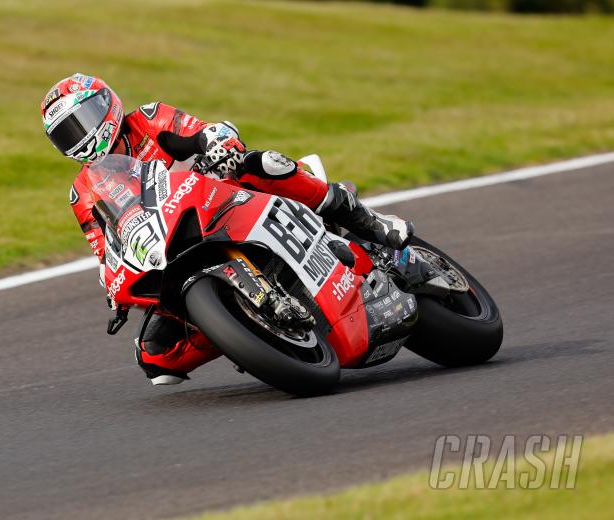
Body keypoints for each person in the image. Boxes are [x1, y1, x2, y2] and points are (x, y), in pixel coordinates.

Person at [41, 73, 415, 386]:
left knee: (262, 164)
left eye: (82, 121)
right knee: (155, 357)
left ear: (107, 106)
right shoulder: (83, 191)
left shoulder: (148, 119)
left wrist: (217, 143)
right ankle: (246, 327)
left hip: (223, 197)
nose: (80, 136)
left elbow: (202, 131)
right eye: (66, 134)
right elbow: (105, 246)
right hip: (171, 248)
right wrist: (112, 286)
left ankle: (364, 218)